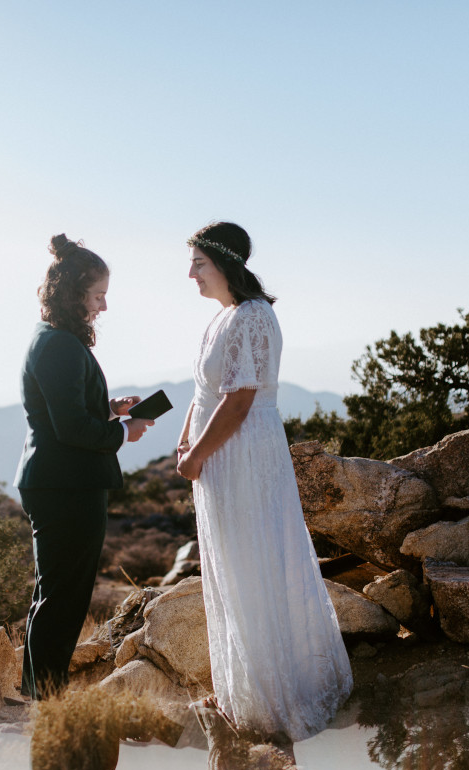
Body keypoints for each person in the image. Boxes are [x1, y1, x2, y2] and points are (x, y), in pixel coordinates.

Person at [175, 221, 353, 742]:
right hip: (217, 455)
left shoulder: (253, 317)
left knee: (254, 562)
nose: (191, 274)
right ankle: (243, 688)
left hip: (244, 454)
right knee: (232, 563)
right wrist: (184, 441)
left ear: (226, 263)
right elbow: (203, 390)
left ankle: (274, 697)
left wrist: (197, 455)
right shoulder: (222, 318)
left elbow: (239, 400)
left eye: (199, 264)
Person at [15, 234, 153, 698]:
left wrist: (109, 407)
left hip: (58, 483)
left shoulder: (54, 340)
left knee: (53, 595)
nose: (104, 307)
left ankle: (39, 693)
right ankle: (46, 700)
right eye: (98, 296)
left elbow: (66, 406)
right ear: (75, 295)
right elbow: (71, 429)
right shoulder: (59, 346)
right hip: (65, 486)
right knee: (63, 600)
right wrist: (122, 433)